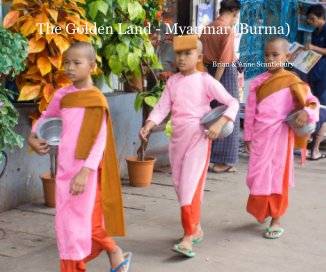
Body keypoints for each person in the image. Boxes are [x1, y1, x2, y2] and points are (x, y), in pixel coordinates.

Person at [28, 42, 131, 272]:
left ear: (92, 66)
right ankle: (114, 253)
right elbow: (46, 117)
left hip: (87, 174)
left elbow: (99, 141)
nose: (70, 67)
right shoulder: (62, 94)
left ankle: (107, 254)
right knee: (66, 225)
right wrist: (32, 136)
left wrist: (85, 172)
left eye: (77, 63)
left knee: (81, 226)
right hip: (64, 172)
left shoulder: (96, 99)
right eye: (67, 62)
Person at [140, 35, 239, 257]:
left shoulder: (205, 80)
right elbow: (161, 107)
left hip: (198, 139)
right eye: (179, 54)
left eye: (188, 54)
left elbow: (232, 102)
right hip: (177, 141)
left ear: (199, 56)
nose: (182, 58)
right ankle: (196, 228)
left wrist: (221, 122)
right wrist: (149, 124)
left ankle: (187, 237)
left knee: (188, 188)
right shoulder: (173, 82)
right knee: (180, 186)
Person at [244, 38, 319, 239]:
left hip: (280, 137)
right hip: (260, 137)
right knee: (256, 177)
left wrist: (305, 112)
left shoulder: (293, 80)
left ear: (287, 57)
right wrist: (248, 136)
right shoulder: (258, 82)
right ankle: (263, 210)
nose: (270, 59)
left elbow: (313, 102)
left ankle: (276, 218)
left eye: (275, 55)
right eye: (266, 55)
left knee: (277, 178)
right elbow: (251, 111)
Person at [200, 0, 241, 173]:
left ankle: (209, 156)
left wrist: (208, 80)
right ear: (234, 12)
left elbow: (200, 54)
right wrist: (215, 83)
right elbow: (223, 61)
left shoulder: (208, 27)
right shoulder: (227, 30)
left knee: (212, 114)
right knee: (230, 114)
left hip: (209, 71)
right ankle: (222, 162)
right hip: (223, 75)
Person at [306, 4, 326, 160]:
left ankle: (316, 149)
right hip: (314, 73)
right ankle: (311, 145)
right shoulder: (314, 32)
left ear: (321, 17)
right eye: (309, 19)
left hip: (324, 75)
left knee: (323, 109)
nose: (311, 22)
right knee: (313, 105)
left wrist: (312, 47)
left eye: (313, 19)